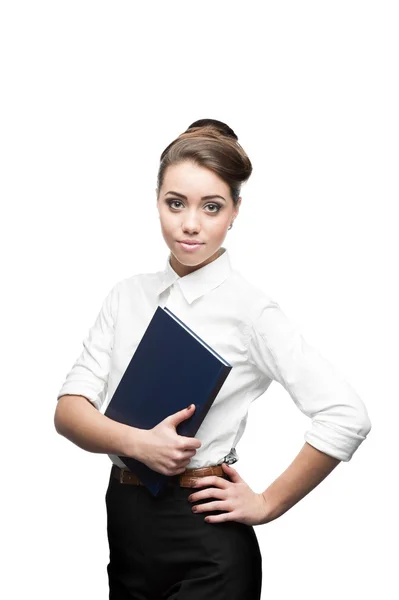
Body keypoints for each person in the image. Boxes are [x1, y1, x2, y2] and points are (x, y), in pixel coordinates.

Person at [54, 118, 372, 599]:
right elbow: (68, 411)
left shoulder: (250, 310)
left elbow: (346, 415)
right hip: (124, 527)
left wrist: (268, 503)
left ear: (235, 211)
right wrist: (139, 444)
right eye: (175, 203)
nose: (190, 223)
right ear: (157, 199)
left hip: (205, 534)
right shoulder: (126, 297)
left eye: (212, 206)